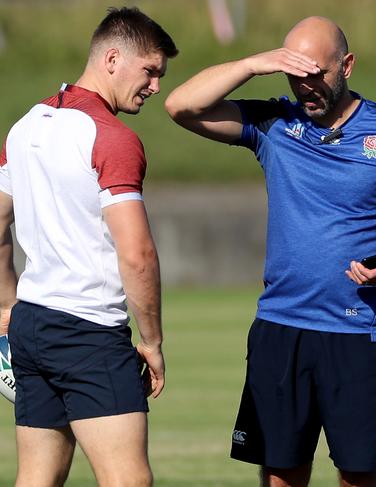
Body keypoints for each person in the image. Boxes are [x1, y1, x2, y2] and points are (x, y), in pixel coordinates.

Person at [165, 16, 376, 487]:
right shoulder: (274, 121)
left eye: (317, 73)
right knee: (281, 474)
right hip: (280, 327)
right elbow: (181, 106)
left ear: (348, 65)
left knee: (359, 476)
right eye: (294, 75)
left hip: (357, 333)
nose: (305, 86)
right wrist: (255, 64)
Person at [0, 7, 177, 486]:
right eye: (151, 70)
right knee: (128, 480)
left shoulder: (24, 126)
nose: (155, 86)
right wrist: (152, 342)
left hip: (32, 323)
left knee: (37, 477)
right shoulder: (113, 137)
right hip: (88, 330)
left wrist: (7, 304)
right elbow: (137, 252)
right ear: (113, 58)